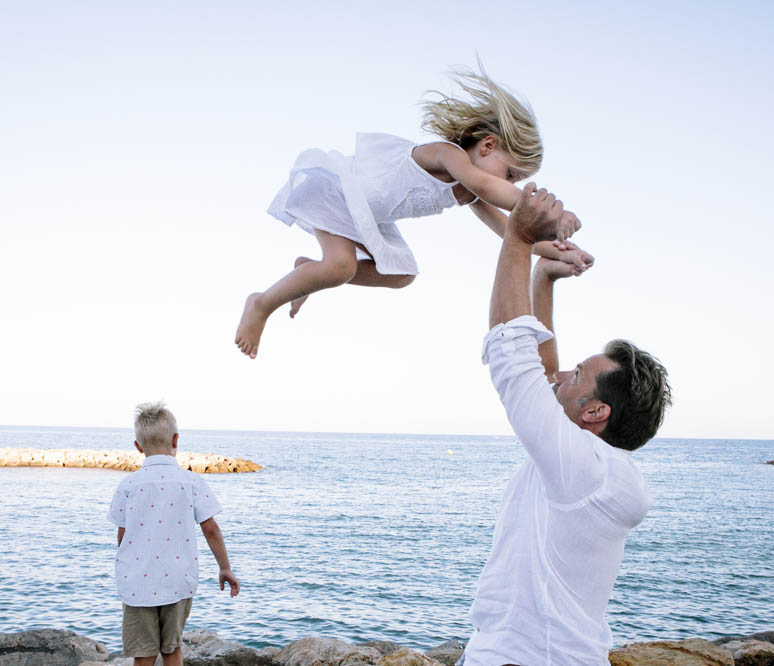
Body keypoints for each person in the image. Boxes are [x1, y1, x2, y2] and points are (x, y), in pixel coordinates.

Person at [234, 63, 586, 358]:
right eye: (511, 175)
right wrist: (554, 215)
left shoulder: (469, 190)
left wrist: (558, 250)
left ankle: (312, 273)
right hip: (341, 191)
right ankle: (262, 304)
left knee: (402, 274)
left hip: (369, 215)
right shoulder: (449, 155)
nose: (510, 184)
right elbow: (490, 188)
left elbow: (511, 231)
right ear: (488, 145)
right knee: (341, 265)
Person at [461, 184, 672, 665]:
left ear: (596, 413)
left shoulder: (583, 468)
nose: (561, 376)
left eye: (580, 374)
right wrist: (543, 280)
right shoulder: (596, 467)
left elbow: (515, 362)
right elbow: (545, 372)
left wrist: (518, 238)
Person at [107, 402, 241, 666]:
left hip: (137, 585)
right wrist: (224, 567)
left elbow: (122, 537)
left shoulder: (128, 485)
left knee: (143, 655)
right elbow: (210, 528)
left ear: (137, 446)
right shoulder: (191, 482)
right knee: (172, 650)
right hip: (178, 580)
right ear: (176, 439)